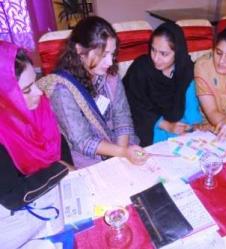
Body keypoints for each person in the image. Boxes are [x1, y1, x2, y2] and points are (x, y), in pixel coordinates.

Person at [37, 16, 148, 168]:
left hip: (122, 143)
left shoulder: (110, 74)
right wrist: (122, 154)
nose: (110, 62)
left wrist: (122, 152)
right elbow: (82, 141)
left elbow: (121, 114)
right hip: (90, 157)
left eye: (112, 54)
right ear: (79, 50)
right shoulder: (62, 89)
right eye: (103, 55)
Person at [0, 41, 72, 248]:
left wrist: (65, 166)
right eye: (27, 89)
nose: (39, 93)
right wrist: (60, 168)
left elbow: (58, 139)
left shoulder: (37, 107)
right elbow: (13, 196)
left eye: (36, 82)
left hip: (44, 188)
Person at [123, 22, 203, 146]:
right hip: (147, 124)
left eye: (163, 54)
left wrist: (194, 127)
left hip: (176, 122)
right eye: (153, 50)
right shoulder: (141, 68)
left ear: (178, 52)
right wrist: (167, 125)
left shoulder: (186, 69)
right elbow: (134, 106)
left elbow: (191, 106)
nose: (156, 58)